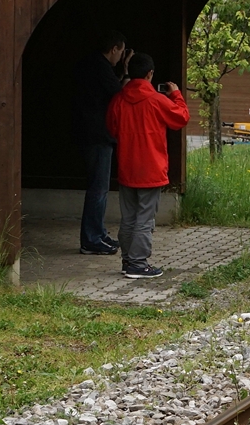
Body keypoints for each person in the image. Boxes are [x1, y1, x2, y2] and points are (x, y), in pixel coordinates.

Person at [105, 53, 190, 279]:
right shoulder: (156, 100)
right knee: (145, 219)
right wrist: (176, 95)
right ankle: (138, 263)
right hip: (151, 168)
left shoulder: (119, 100)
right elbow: (181, 118)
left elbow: (112, 127)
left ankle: (127, 260)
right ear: (150, 74)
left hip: (127, 167)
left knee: (129, 217)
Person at [72, 31, 132, 255]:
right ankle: (91, 239)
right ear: (114, 49)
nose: (121, 56)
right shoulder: (100, 66)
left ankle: (98, 232)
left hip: (90, 133)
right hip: (98, 135)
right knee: (98, 189)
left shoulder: (92, 64)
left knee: (99, 188)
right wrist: (127, 71)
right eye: (121, 51)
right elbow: (119, 94)